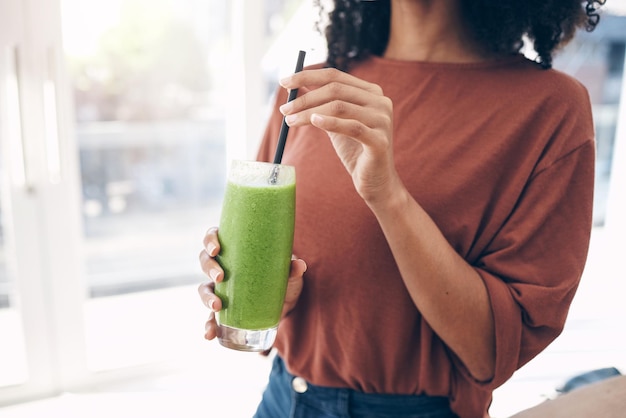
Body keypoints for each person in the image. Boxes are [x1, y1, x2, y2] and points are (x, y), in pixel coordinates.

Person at [198, 0, 605, 417]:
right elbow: (301, 265)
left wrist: (387, 195)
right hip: (283, 398)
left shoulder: (551, 108)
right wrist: (272, 296)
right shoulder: (314, 86)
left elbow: (491, 352)